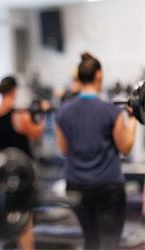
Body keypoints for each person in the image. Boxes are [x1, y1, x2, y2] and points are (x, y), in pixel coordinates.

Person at [56, 52, 137, 250]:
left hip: (75, 185)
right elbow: (125, 148)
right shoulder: (112, 111)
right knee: (109, 243)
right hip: (107, 186)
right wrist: (133, 118)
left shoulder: (63, 111)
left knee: (90, 242)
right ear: (99, 75)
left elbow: (63, 150)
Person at [0, 76, 48, 250]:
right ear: (14, 91)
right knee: (24, 215)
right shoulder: (19, 115)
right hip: (19, 171)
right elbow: (36, 134)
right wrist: (42, 113)